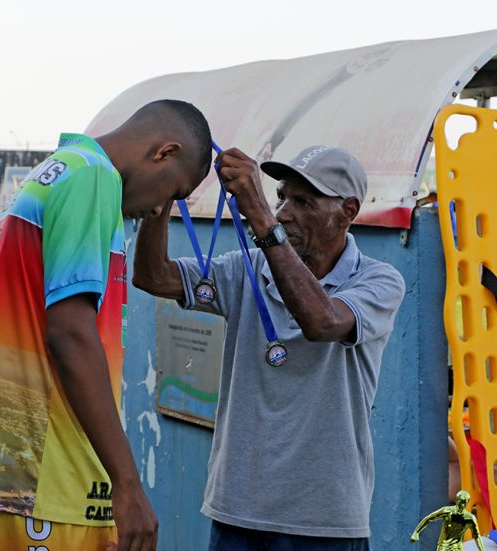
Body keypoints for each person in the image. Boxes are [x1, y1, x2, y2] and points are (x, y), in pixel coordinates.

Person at [0, 99, 212, 551]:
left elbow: (147, 275)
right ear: (164, 152)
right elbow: (70, 334)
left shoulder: (61, 169)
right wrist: (127, 484)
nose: (159, 210)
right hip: (55, 476)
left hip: (22, 463)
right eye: (174, 193)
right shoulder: (93, 178)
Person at [133, 145, 405, 549]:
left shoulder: (379, 282)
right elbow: (153, 276)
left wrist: (260, 216)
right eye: (280, 197)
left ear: (347, 211)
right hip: (238, 513)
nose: (283, 212)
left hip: (325, 523)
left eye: (303, 201)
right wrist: (161, 199)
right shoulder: (245, 271)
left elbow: (323, 321)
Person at [410, 490, 485, 551]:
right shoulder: (447, 511)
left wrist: (482, 549)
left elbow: (477, 536)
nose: (462, 505)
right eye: (461, 502)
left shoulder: (470, 518)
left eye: (464, 503)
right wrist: (416, 532)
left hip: (457, 547)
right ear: (456, 501)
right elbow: (429, 518)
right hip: (444, 546)